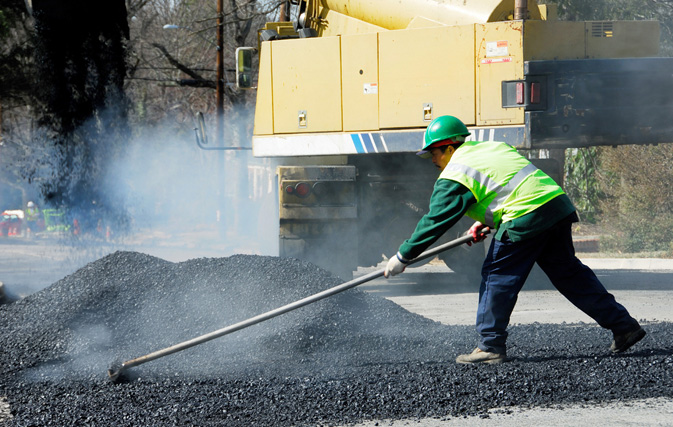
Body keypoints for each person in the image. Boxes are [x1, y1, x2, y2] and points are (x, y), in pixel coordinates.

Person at [384, 115, 646, 364]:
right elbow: (508, 186)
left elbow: (435, 220)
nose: (432, 160)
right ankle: (624, 327)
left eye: (434, 153)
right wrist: (486, 221)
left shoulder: (455, 171)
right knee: (569, 274)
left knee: (497, 275)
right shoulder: (491, 149)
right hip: (554, 206)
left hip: (525, 215)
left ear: (449, 147)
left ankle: (489, 346)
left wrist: (403, 257)